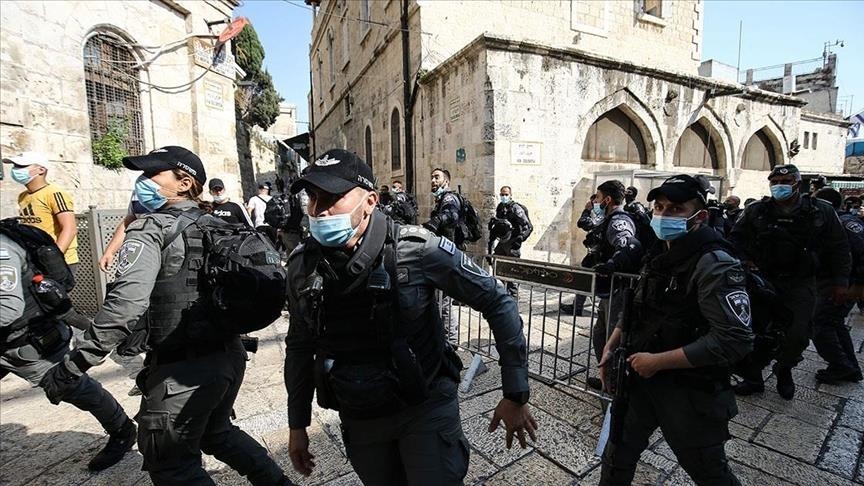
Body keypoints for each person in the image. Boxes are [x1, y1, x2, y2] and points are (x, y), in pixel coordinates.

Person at [39, 146, 293, 485]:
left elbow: (125, 306)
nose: (142, 182)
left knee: (172, 466)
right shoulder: (215, 222)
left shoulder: (151, 227)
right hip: (229, 356)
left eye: (151, 174)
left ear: (184, 183)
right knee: (216, 433)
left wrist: (74, 365)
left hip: (182, 368)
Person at [283, 149, 536, 486]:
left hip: (424, 407)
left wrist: (515, 392)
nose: (319, 210)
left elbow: (497, 300)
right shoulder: (303, 266)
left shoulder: (416, 249)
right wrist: (297, 425)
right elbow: (300, 345)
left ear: (370, 202)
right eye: (313, 198)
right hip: (360, 415)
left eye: (332, 197)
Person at [598, 174, 754, 485]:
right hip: (640, 379)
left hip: (689, 389)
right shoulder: (659, 252)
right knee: (616, 457)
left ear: (700, 217)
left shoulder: (714, 263)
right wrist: (611, 345)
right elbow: (638, 305)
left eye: (676, 209)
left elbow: (733, 339)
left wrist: (658, 362)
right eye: (659, 207)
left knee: (709, 473)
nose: (663, 215)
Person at [1, 220, 137, 472]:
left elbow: (8, 307)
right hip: (10, 340)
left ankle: (122, 430)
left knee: (73, 387)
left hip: (29, 340)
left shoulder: (3, 248)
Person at [730, 164, 850, 400]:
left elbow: (839, 247)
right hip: (762, 279)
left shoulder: (820, 211)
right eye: (775, 182)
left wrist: (840, 281)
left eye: (785, 182)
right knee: (756, 331)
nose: (779, 186)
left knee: (799, 333)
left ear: (797, 183)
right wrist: (744, 261)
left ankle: (784, 368)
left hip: (801, 282)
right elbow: (735, 239)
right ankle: (753, 377)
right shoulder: (757, 210)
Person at [579, 180, 646, 389]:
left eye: (598, 197)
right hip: (609, 290)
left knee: (612, 340)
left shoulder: (619, 220)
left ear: (607, 199)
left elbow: (629, 244)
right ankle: (606, 378)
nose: (595, 201)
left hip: (619, 289)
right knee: (600, 335)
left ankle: (615, 387)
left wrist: (611, 265)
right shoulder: (607, 219)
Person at [811, 188, 863, 383]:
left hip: (841, 284)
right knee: (834, 323)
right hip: (832, 282)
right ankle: (849, 367)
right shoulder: (831, 221)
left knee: (820, 324)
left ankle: (841, 365)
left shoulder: (845, 223)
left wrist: (859, 283)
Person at [3, 152, 79, 274]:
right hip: (35, 261)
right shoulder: (23, 196)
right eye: (15, 166)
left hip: (59, 261)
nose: (15, 170)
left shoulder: (54, 193)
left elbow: (70, 229)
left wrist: (54, 258)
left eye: (21, 166)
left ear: (41, 170)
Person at [487, 186, 533, 298]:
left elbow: (528, 227)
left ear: (510, 195)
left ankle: (513, 298)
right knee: (498, 268)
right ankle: (501, 295)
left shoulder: (516, 208)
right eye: (502, 194)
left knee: (512, 271)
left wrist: (520, 239)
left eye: (506, 194)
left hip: (513, 243)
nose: (504, 196)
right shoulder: (500, 207)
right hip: (502, 242)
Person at [424, 168, 464, 248]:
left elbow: (452, 214)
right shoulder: (441, 199)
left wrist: (436, 221)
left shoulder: (449, 197)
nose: (433, 180)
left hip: (451, 247)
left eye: (437, 177)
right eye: (432, 178)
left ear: (446, 181)